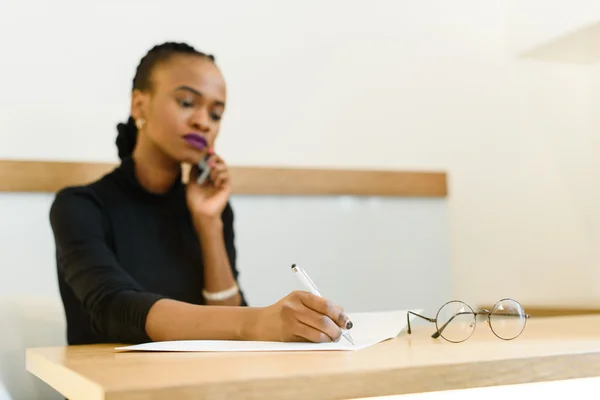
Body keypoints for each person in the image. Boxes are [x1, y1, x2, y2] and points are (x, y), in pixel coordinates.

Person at [49, 42, 352, 346]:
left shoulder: (212, 210)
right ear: (139, 105)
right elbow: (113, 308)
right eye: (186, 102)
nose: (203, 122)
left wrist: (208, 224)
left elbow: (233, 337)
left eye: (216, 113)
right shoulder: (79, 206)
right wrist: (258, 320)